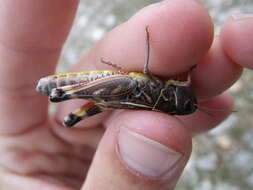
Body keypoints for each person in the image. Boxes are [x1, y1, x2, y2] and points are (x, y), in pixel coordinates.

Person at [0, 0, 251, 189]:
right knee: (122, 89)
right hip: (115, 87)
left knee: (116, 95)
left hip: (120, 89)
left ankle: (65, 104)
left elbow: (148, 71)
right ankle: (62, 93)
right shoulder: (165, 100)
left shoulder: (166, 92)